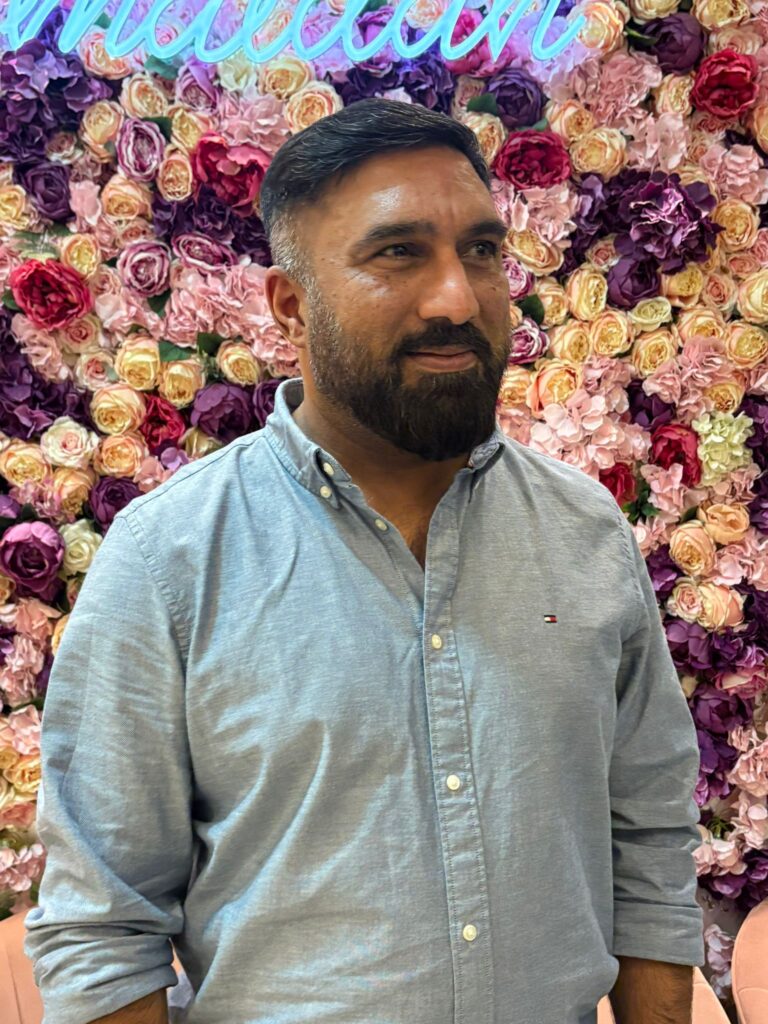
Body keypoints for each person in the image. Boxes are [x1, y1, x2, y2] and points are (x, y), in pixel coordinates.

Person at [24, 98, 705, 1024]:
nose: (457, 299)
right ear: (290, 305)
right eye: (398, 253)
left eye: (481, 250)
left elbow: (649, 849)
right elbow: (104, 929)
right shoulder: (168, 560)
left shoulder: (584, 531)